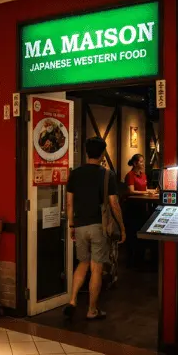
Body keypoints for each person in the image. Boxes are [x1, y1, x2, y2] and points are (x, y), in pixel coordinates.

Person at [65, 137, 126, 321]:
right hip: (99, 226)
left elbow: (69, 203)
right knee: (96, 268)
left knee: (82, 263)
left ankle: (72, 300)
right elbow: (114, 203)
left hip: (80, 224)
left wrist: (71, 224)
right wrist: (122, 227)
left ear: (86, 152)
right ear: (102, 154)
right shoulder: (107, 175)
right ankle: (92, 310)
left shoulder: (75, 174)